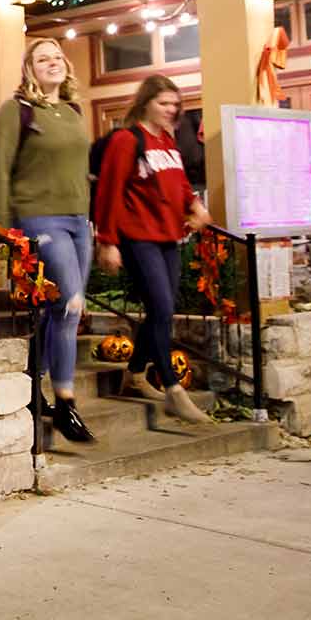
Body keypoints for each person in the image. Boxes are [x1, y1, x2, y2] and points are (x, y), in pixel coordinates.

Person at [0, 38, 96, 443]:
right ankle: (66, 402)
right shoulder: (16, 112)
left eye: (56, 57)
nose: (52, 63)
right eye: (42, 58)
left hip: (79, 220)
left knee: (58, 311)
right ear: (30, 69)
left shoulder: (72, 111)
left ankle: (34, 385)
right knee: (70, 301)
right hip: (39, 216)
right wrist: (1, 227)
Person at [93, 75, 214, 423]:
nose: (171, 110)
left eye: (175, 105)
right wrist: (108, 241)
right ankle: (174, 389)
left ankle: (134, 374)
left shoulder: (168, 142)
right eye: (164, 103)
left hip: (168, 236)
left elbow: (178, 184)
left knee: (163, 310)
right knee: (160, 306)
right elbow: (110, 192)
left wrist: (194, 206)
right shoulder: (126, 140)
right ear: (146, 102)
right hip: (137, 236)